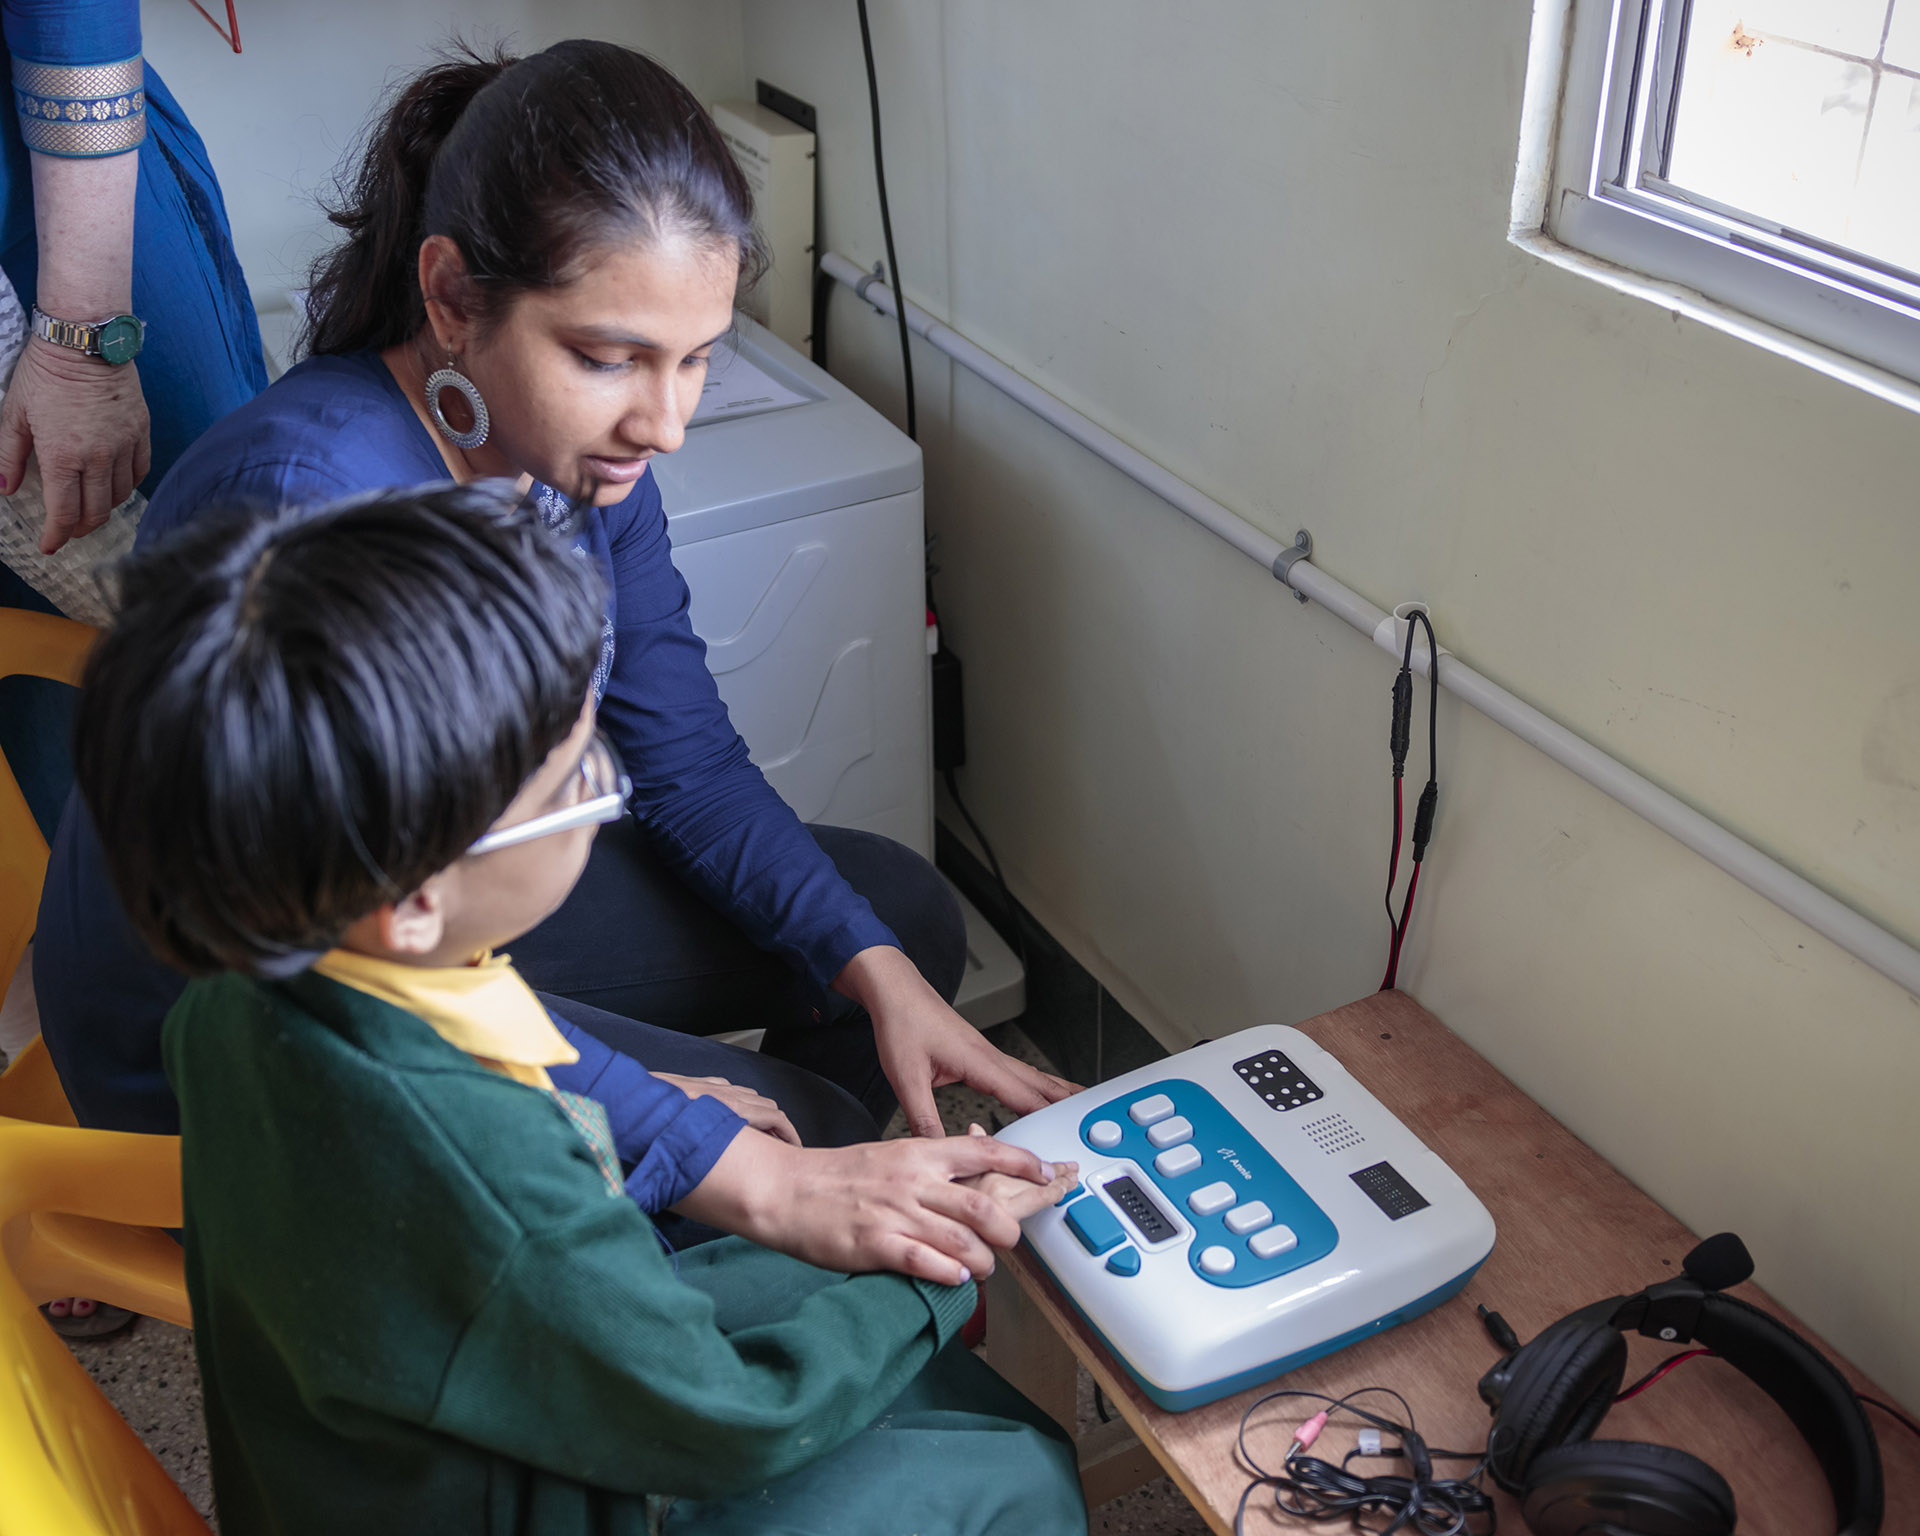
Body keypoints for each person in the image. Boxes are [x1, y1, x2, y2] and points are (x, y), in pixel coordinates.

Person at [35, 40, 1070, 1167]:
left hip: (425, 917)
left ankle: (726, 1230)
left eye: (695, 362)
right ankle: (687, 1273)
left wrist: (865, 977)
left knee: (892, 927)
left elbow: (689, 765)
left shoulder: (573, 462)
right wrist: (681, 1137)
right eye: (610, 358)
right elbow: (329, 971)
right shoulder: (306, 508)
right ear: (449, 295)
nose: (664, 422)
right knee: (785, 1149)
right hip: (255, 1026)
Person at [71, 482, 1088, 1536]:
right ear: (418, 896)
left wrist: (625, 1121)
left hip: (358, 1468)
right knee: (1021, 1473)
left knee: (822, 1288)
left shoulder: (247, 983)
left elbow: (479, 1128)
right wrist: (936, 1278)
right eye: (576, 784)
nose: (604, 786)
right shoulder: (498, 1179)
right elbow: (729, 1419)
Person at [0, 0, 266, 1336]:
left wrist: (83, 331)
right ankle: (119, 1149)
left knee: (218, 658)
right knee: (38, 692)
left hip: (42, 220)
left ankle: (300, 1143)